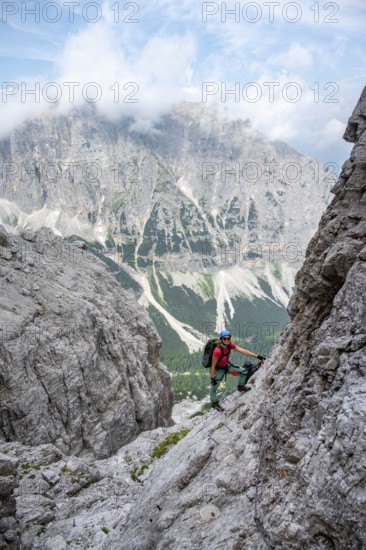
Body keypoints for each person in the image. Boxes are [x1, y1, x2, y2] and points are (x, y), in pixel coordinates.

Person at [210, 330, 265, 411]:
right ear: (221, 339)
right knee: (214, 386)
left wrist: (257, 356)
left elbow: (243, 351)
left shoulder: (229, 345)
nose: (227, 340)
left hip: (226, 366)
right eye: (224, 338)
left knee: (243, 371)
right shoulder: (217, 351)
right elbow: (213, 365)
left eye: (228, 338)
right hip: (218, 369)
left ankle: (241, 386)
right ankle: (214, 403)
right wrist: (213, 376)